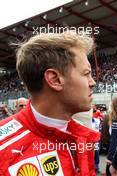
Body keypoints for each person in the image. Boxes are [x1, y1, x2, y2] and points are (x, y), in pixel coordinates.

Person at [0, 31, 100, 175]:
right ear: (55, 80)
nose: (93, 82)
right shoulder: (4, 149)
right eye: (86, 73)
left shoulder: (80, 134)